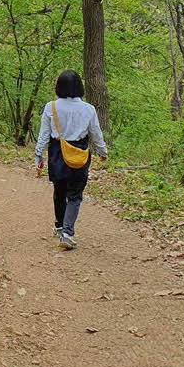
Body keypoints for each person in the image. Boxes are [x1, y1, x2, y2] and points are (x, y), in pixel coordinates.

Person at [35, 70, 107, 249]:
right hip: (79, 155)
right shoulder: (88, 109)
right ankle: (67, 233)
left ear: (59, 86)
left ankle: (60, 226)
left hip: (57, 154)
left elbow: (44, 134)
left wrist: (39, 155)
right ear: (80, 87)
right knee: (75, 195)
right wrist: (102, 151)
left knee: (59, 191)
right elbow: (95, 133)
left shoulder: (51, 107)